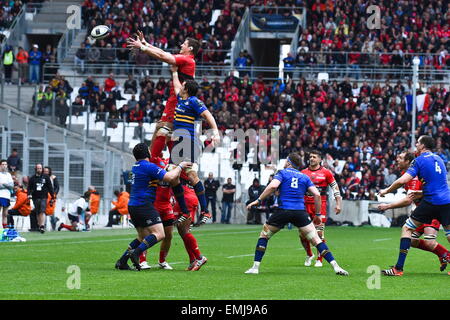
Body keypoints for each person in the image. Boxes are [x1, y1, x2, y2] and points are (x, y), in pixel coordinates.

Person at [244, 153, 348, 276]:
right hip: (300, 212)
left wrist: (258, 200)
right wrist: (318, 214)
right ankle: (336, 266)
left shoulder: (282, 173)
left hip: (283, 211)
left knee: (264, 236)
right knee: (316, 240)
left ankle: (255, 268)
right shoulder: (304, 176)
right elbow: (317, 194)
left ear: (288, 162)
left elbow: (273, 186)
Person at [379, 135, 450, 276]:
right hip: (446, 201)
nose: (416, 145)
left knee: (407, 229)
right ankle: (444, 254)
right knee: (448, 235)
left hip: (430, 202)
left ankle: (398, 269)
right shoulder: (440, 159)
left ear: (422, 146)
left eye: (417, 143)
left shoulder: (419, 161)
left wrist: (386, 191)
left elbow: (402, 181)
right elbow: (438, 182)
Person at [127, 32, 200, 168]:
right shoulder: (186, 60)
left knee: (162, 130)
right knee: (165, 132)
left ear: (190, 48)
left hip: (177, 102)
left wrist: (142, 48)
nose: (181, 45)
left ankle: (152, 163)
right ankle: (168, 163)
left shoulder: (187, 60)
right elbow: (162, 52)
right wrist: (145, 44)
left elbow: (162, 56)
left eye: (184, 43)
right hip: (174, 100)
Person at [114, 143, 191, 271]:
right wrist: (180, 166)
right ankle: (136, 253)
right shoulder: (148, 166)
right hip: (144, 205)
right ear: (147, 153)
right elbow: (170, 177)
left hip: (133, 206)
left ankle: (122, 261)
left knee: (142, 237)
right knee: (160, 234)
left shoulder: (136, 166)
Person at [166, 64, 220, 226]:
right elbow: (176, 85)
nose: (180, 85)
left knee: (191, 175)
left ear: (187, 89)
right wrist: (174, 72)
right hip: (178, 143)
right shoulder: (181, 100)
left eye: (183, 85)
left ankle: (205, 211)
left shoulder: (194, 101)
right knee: (171, 175)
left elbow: (207, 115)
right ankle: (184, 210)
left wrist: (215, 131)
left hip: (188, 142)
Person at [301, 150, 342, 267]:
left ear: (320, 159)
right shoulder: (303, 172)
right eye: (310, 157)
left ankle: (320, 259)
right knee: (302, 234)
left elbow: (335, 188)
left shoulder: (326, 173)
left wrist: (338, 203)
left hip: (320, 205)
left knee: (319, 232)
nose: (312, 159)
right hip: (304, 205)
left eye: (314, 157)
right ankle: (309, 254)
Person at [28, 163, 55, 233]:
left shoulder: (46, 177)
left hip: (43, 197)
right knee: (38, 212)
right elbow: (29, 188)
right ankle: (40, 226)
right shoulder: (32, 178)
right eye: (38, 168)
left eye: (40, 168)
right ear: (35, 169)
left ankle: (42, 226)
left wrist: (52, 196)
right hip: (35, 197)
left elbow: (50, 187)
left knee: (42, 211)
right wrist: (29, 194)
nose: (39, 170)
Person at [43, 167, 59, 231]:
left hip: (51, 196)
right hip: (43, 196)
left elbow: (57, 187)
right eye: (44, 171)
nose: (46, 172)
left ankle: (54, 225)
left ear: (49, 172)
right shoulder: (41, 178)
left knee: (51, 212)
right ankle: (43, 226)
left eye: (47, 171)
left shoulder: (53, 177)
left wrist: (54, 195)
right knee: (43, 211)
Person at [0, 160, 14, 228]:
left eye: (5, 164)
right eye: (3, 164)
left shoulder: (8, 174)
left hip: (6, 196)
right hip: (0, 195)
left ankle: (4, 229)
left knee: (5, 214)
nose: (4, 166)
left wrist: (4, 184)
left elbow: (12, 186)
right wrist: (7, 185)